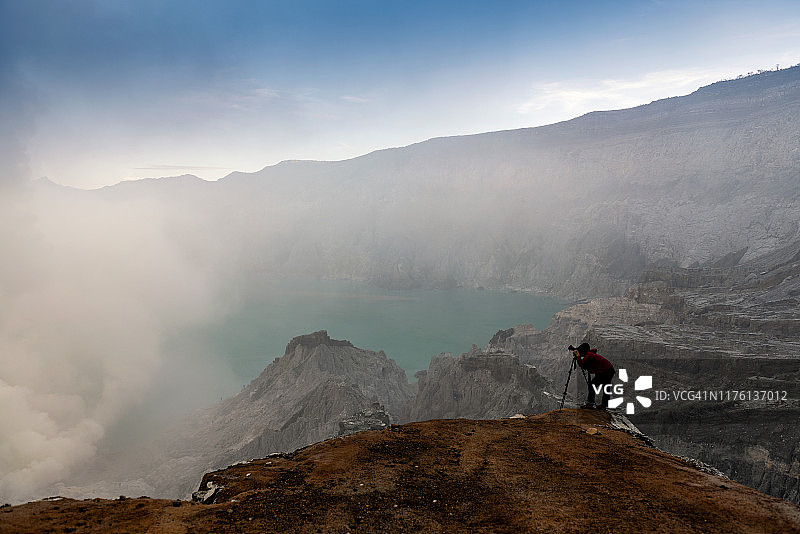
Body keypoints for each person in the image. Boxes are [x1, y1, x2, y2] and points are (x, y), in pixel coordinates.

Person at [570, 343, 615, 409]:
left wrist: (578, 356)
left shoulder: (589, 355)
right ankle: (604, 405)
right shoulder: (590, 354)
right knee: (605, 388)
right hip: (609, 370)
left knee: (592, 385)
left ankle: (590, 403)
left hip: (605, 372)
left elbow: (582, 365)